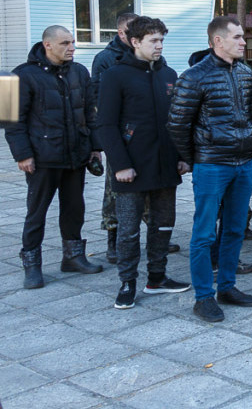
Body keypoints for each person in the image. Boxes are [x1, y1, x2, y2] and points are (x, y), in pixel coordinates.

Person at [168, 16, 252, 322]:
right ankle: (204, 297)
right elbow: (178, 124)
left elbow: (251, 116)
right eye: (237, 37)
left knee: (234, 229)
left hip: (243, 164)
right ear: (218, 41)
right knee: (204, 233)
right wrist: (195, 158)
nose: (243, 41)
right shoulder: (194, 77)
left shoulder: (246, 73)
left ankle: (228, 287)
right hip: (211, 165)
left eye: (243, 36)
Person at [96, 17, 191, 309]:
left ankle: (157, 278)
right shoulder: (115, 75)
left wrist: (183, 157)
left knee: (163, 225)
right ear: (135, 42)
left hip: (165, 166)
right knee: (128, 231)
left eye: (162, 40)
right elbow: (106, 125)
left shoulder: (169, 74)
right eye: (154, 41)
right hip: (130, 171)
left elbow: (177, 122)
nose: (159, 46)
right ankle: (127, 283)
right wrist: (121, 165)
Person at [7, 26, 104, 289]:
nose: (72, 47)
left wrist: (95, 147)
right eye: (65, 43)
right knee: (36, 212)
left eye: (72, 42)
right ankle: (32, 266)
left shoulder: (80, 72)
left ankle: (73, 257)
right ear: (47, 45)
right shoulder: (22, 75)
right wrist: (23, 154)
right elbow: (10, 119)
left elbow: (91, 113)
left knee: (74, 209)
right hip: (42, 158)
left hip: (76, 155)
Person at [91, 12, 139, 264]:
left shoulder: (144, 55)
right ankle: (114, 238)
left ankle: (149, 233)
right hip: (119, 136)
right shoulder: (106, 59)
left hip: (143, 136)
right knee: (115, 190)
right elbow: (99, 103)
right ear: (121, 33)